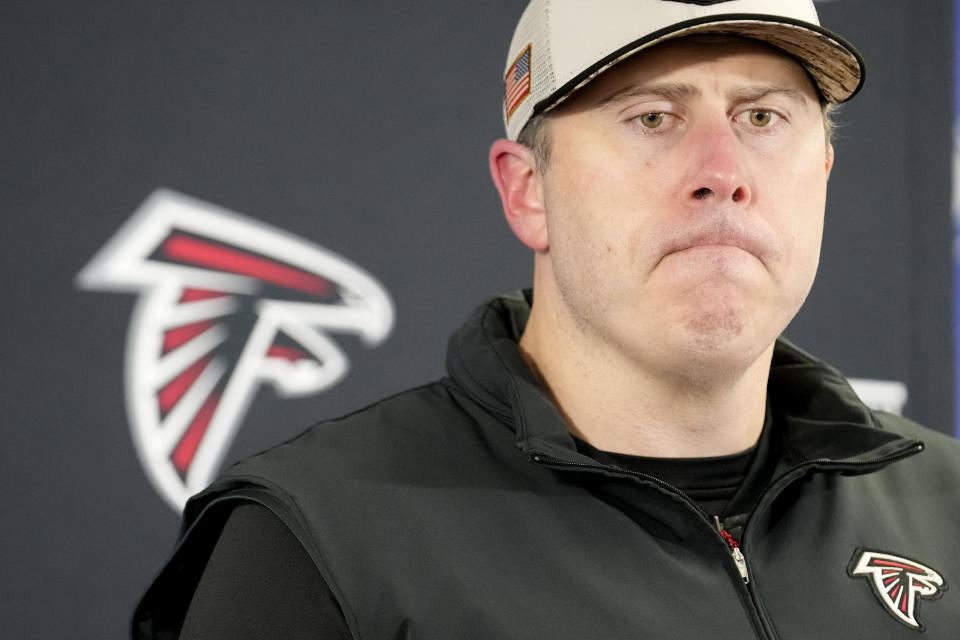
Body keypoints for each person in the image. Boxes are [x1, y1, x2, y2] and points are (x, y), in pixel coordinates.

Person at [133, 1, 960, 638]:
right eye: (653, 117)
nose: (723, 172)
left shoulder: (946, 508)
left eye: (762, 117)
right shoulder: (323, 542)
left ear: (823, 169)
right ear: (529, 191)